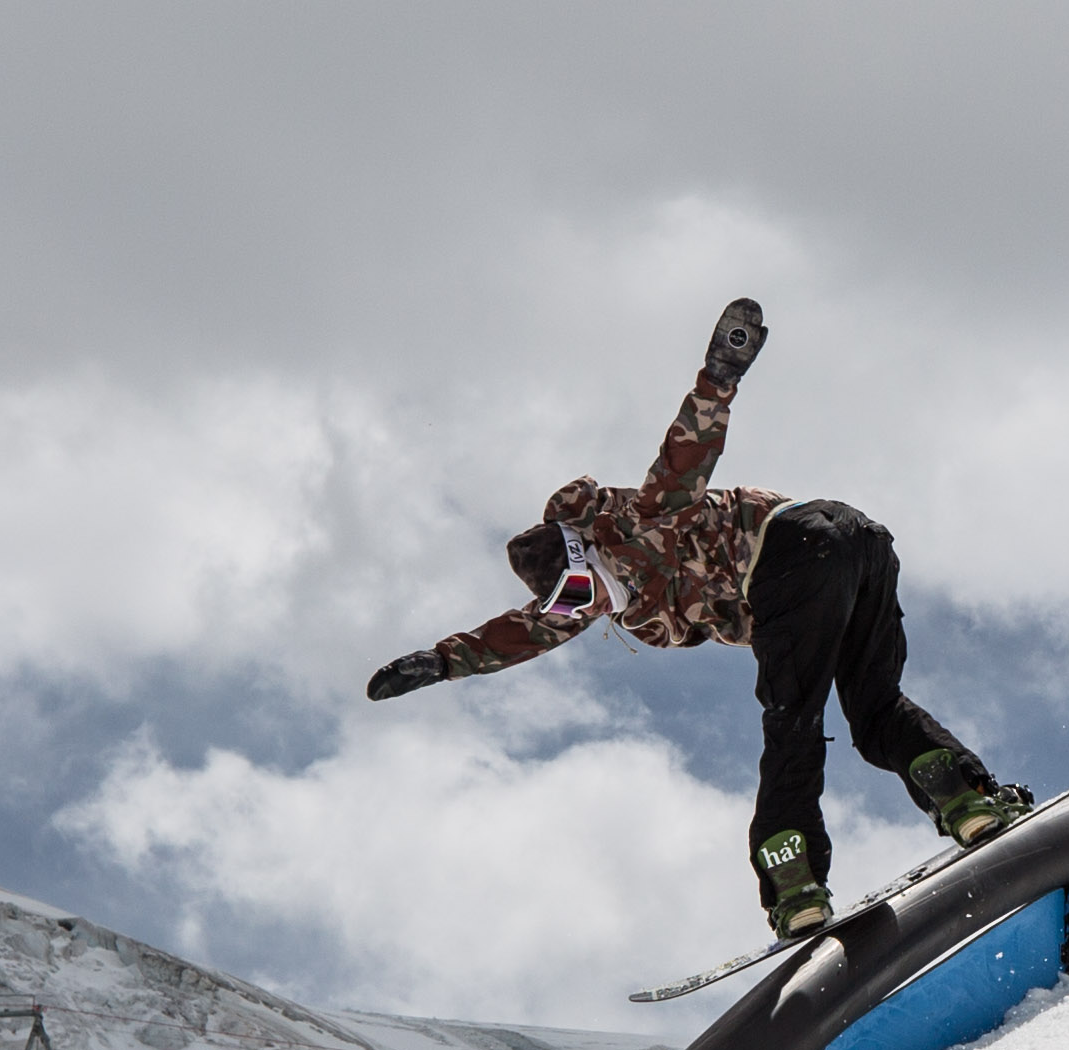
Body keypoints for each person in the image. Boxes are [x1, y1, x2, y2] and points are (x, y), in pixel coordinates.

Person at [363, 300, 1027, 938]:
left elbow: (687, 452)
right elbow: (519, 636)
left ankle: (792, 879)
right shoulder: (600, 602)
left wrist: (720, 373)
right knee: (875, 709)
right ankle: (965, 797)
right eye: (570, 603)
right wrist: (442, 660)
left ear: (584, 551)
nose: (583, 605)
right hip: (861, 546)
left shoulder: (643, 521)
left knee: (791, 721)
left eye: (577, 585)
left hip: (793, 548)